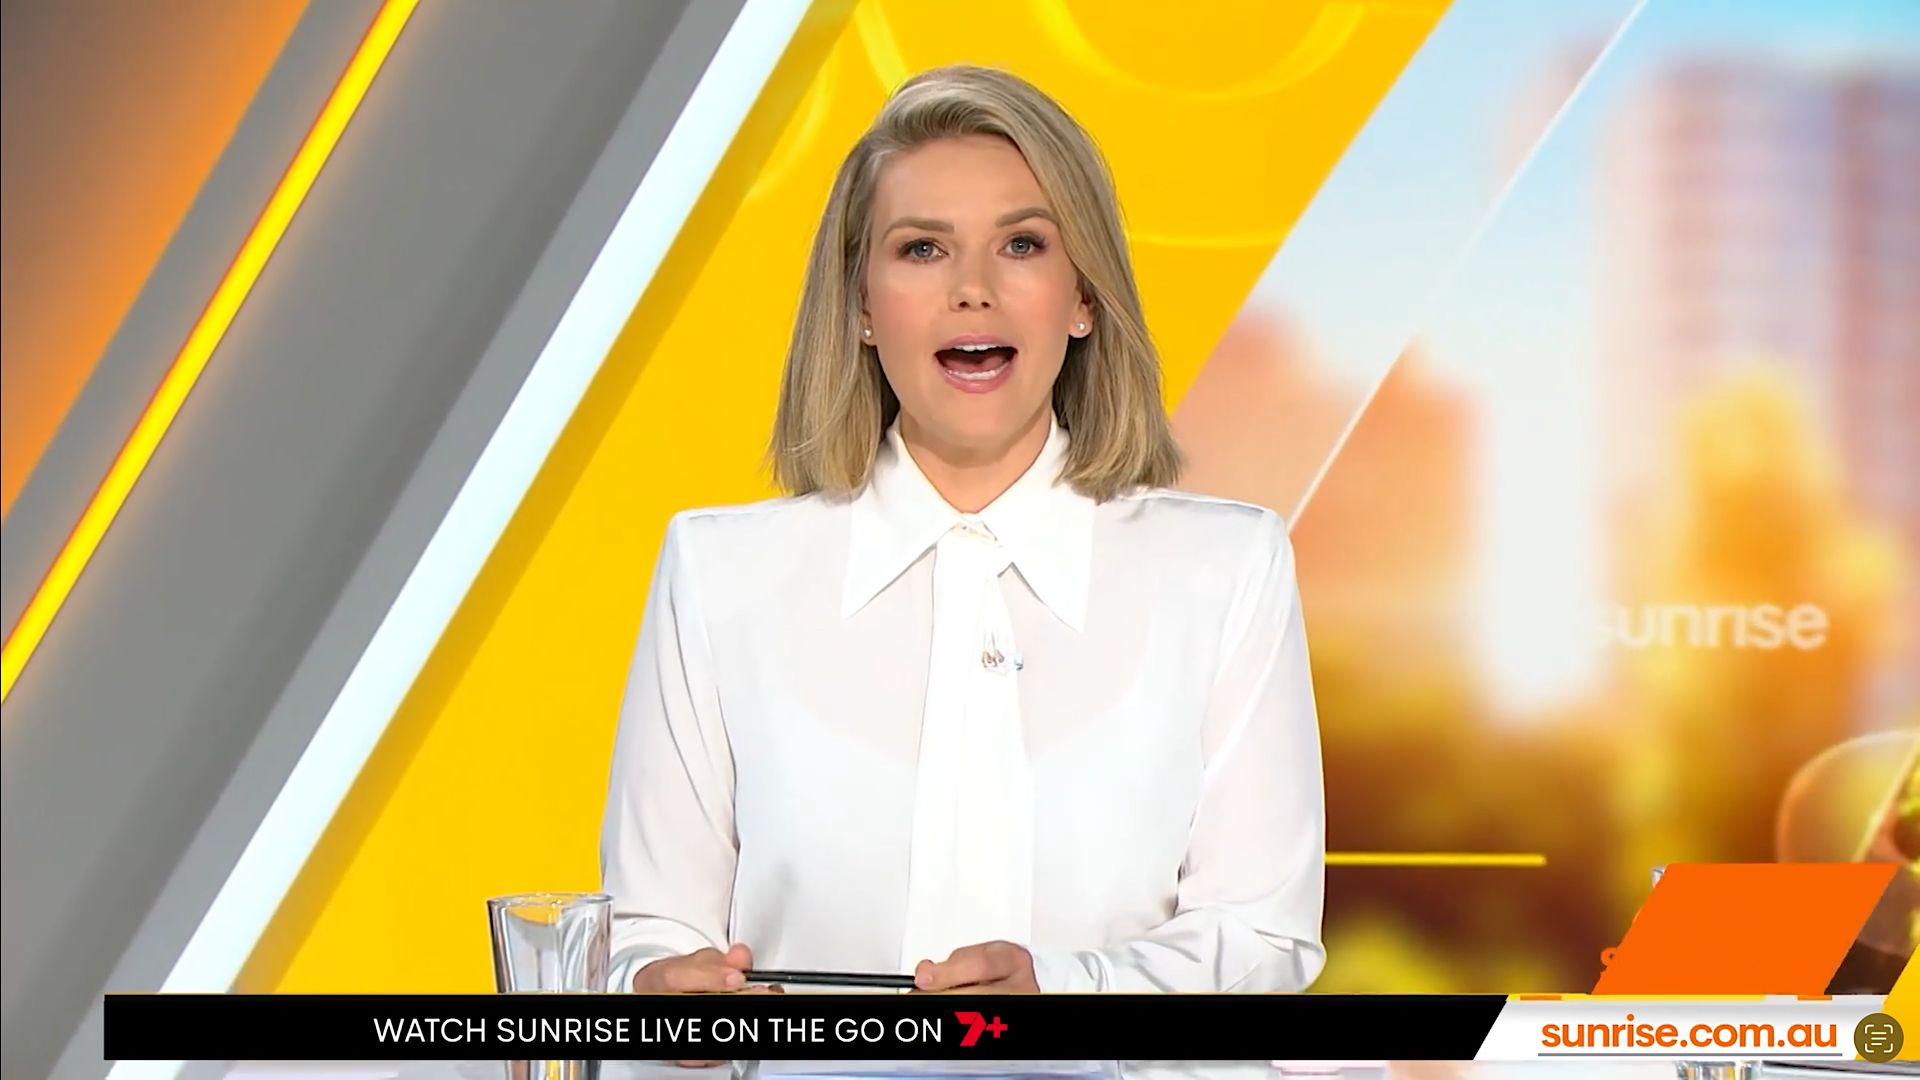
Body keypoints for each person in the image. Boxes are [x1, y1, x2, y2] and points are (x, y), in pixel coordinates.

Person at [600, 64, 1324, 998]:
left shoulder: (1225, 570)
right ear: (862, 306)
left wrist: (1067, 996)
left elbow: (1262, 937)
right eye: (922, 249)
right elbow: (644, 934)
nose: (973, 290)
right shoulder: (718, 573)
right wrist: (658, 995)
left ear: (1083, 297)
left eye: (1022, 244)